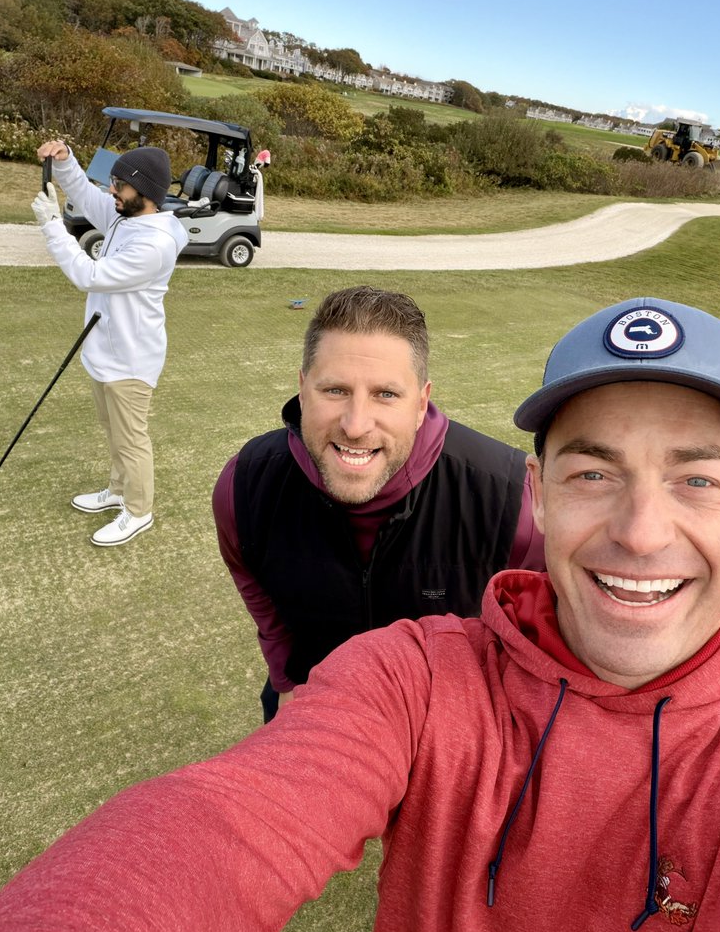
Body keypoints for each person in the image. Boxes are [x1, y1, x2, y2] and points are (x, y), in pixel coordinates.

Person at [0, 296, 720, 932]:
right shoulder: (407, 670)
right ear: (542, 494)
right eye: (592, 472)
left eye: (697, 478)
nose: (638, 533)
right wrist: (290, 682)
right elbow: (217, 825)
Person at [214, 284, 544, 719]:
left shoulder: (511, 501)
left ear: (421, 401)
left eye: (385, 394)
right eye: (334, 390)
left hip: (442, 731)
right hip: (313, 706)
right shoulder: (245, 484)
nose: (355, 425)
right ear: (302, 387)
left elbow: (536, 645)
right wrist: (286, 678)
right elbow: (253, 583)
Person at [32, 139, 188, 546]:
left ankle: (138, 511)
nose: (112, 191)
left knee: (131, 438)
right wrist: (66, 161)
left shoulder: (153, 244)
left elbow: (89, 276)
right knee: (112, 429)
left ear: (146, 193)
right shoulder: (127, 216)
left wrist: (53, 226)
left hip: (131, 359)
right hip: (106, 350)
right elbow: (85, 195)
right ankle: (118, 491)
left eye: (120, 185)